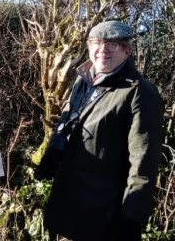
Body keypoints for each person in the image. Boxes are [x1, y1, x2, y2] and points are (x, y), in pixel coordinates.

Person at [37, 21, 163, 241]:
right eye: (96, 42)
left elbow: (144, 159)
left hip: (105, 208)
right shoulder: (84, 80)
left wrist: (131, 215)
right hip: (72, 195)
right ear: (89, 46)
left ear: (127, 50)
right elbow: (68, 121)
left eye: (112, 44)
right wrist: (51, 154)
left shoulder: (138, 92)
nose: (102, 50)